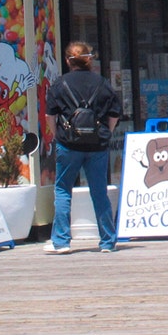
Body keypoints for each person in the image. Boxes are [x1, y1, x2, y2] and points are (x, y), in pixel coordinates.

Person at [43, 41, 122, 254]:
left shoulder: (60, 84)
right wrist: (106, 133)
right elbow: (114, 114)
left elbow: (50, 116)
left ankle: (61, 242)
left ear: (68, 61)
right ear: (89, 59)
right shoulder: (103, 83)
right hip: (97, 144)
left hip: (68, 144)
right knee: (99, 191)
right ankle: (107, 241)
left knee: (62, 190)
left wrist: (56, 135)